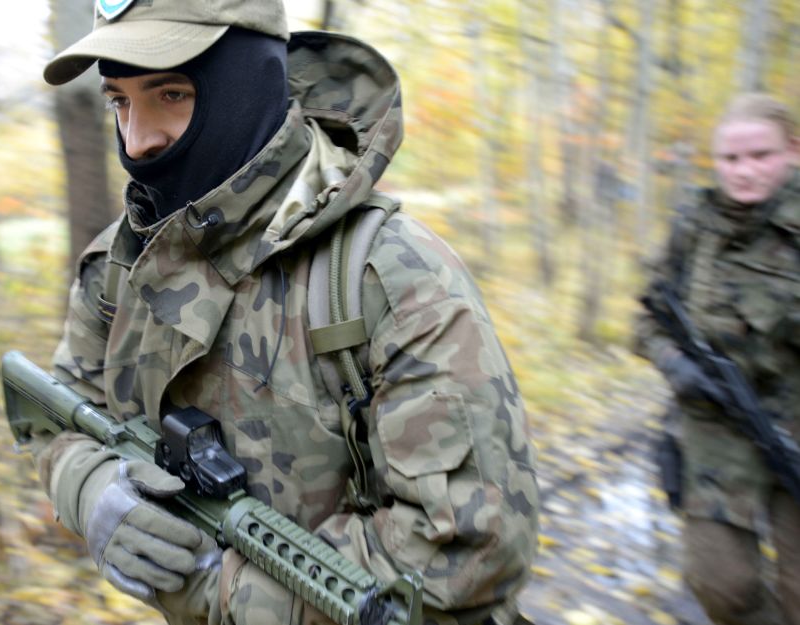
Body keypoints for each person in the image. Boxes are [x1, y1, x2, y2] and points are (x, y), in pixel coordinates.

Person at [27, 1, 539, 623]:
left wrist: (215, 587)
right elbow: (60, 414)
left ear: (247, 89)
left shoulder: (392, 277)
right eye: (120, 102)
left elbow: (470, 551)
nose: (138, 139)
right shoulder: (119, 263)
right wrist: (89, 489)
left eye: (171, 95)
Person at [634, 93, 800, 625]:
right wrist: (675, 366)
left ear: (793, 151)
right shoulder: (695, 227)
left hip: (794, 432)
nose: (744, 171)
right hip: (718, 435)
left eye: (761, 156)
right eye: (731, 159)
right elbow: (647, 318)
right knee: (720, 587)